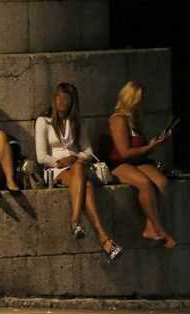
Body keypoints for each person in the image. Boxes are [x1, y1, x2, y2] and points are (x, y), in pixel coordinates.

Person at [35, 83, 122, 263]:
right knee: (83, 180)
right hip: (54, 169)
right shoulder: (43, 121)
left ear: (72, 102)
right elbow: (41, 156)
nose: (62, 102)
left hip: (76, 168)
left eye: (66, 98)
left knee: (82, 176)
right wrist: (63, 161)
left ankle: (80, 225)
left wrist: (74, 157)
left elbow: (89, 151)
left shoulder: (77, 122)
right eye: (59, 97)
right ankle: (102, 237)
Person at [103, 81, 176, 249]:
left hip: (137, 161)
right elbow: (124, 153)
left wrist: (153, 145)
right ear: (132, 100)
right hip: (117, 163)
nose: (144, 104)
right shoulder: (118, 119)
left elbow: (139, 150)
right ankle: (160, 228)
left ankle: (150, 226)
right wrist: (150, 147)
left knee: (162, 182)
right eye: (141, 100)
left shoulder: (134, 121)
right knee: (144, 183)